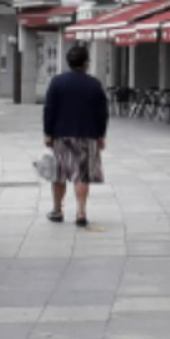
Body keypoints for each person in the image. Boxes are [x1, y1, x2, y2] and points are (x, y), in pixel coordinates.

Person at [43, 45, 108, 227]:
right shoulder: (94, 84)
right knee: (82, 174)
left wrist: (48, 133)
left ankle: (57, 210)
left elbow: (49, 110)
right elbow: (102, 113)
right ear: (86, 62)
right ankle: (81, 212)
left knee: (59, 173)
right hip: (87, 135)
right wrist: (100, 135)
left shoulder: (57, 82)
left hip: (61, 135)